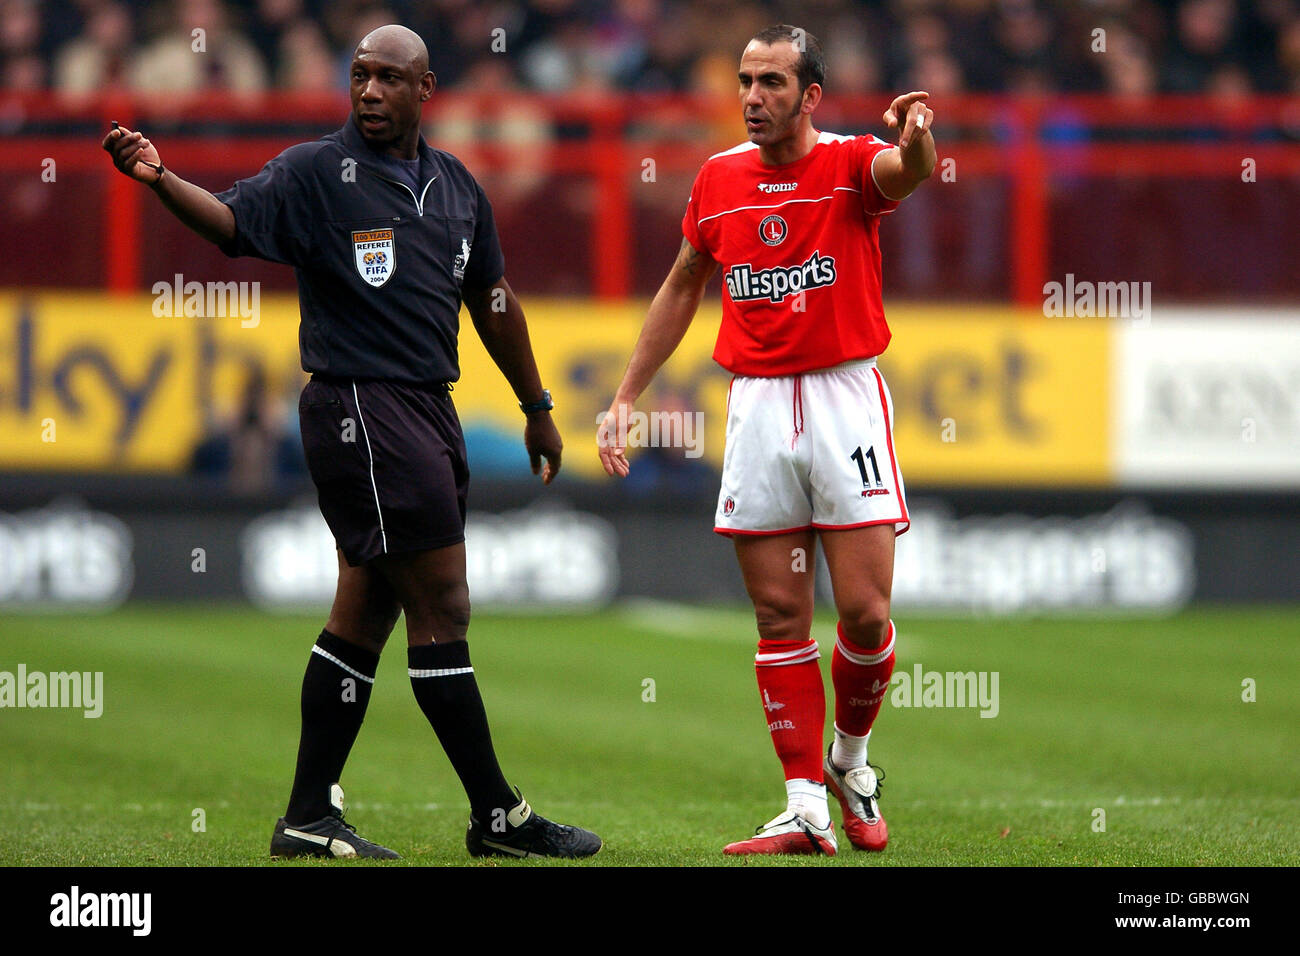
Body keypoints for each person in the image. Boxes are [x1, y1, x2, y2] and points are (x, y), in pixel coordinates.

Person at [103, 23, 601, 861]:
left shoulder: (454, 187)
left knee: (364, 611)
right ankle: (498, 817)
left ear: (424, 90)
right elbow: (230, 224)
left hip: (429, 411)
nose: (368, 91)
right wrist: (159, 180)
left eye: (387, 79)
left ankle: (307, 816)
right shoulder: (313, 174)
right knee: (442, 604)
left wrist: (537, 403)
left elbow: (494, 300)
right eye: (359, 75)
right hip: (360, 408)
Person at [598, 24, 935, 856]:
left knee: (864, 611)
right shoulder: (717, 180)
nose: (752, 97)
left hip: (843, 400)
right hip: (755, 406)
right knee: (780, 614)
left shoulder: (852, 163)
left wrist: (921, 141)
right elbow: (683, 284)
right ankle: (801, 807)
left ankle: (849, 764)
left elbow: (909, 172)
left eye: (772, 84)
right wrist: (626, 396)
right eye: (746, 81)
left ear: (810, 95)